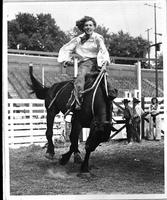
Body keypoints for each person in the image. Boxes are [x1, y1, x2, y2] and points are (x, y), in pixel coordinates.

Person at [57, 16, 117, 110]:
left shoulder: (98, 38)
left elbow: (103, 50)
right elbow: (67, 48)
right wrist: (66, 60)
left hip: (98, 62)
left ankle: (110, 104)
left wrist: (104, 63)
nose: (88, 27)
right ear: (83, 27)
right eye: (86, 25)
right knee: (80, 78)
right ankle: (77, 102)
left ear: (94, 27)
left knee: (106, 81)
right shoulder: (78, 39)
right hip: (85, 63)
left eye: (90, 25)